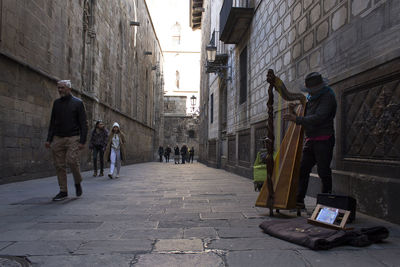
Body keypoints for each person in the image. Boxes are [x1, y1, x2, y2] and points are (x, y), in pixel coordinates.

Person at [274, 71, 337, 209]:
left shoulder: (328, 96)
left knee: (323, 171)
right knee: (302, 169)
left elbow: (319, 117)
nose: (309, 93)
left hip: (324, 139)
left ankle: (325, 203)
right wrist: (294, 114)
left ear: (318, 87)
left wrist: (296, 119)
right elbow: (305, 119)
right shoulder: (311, 98)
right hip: (311, 140)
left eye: (311, 90)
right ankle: (299, 200)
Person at [45, 80, 88, 201]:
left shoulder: (78, 103)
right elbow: (52, 122)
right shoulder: (56, 103)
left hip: (73, 137)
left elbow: (83, 123)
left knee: (72, 160)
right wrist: (49, 139)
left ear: (69, 88)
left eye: (62, 88)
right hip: (58, 137)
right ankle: (63, 190)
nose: (60, 90)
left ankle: (77, 182)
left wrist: (82, 141)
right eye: (58, 88)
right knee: (59, 165)